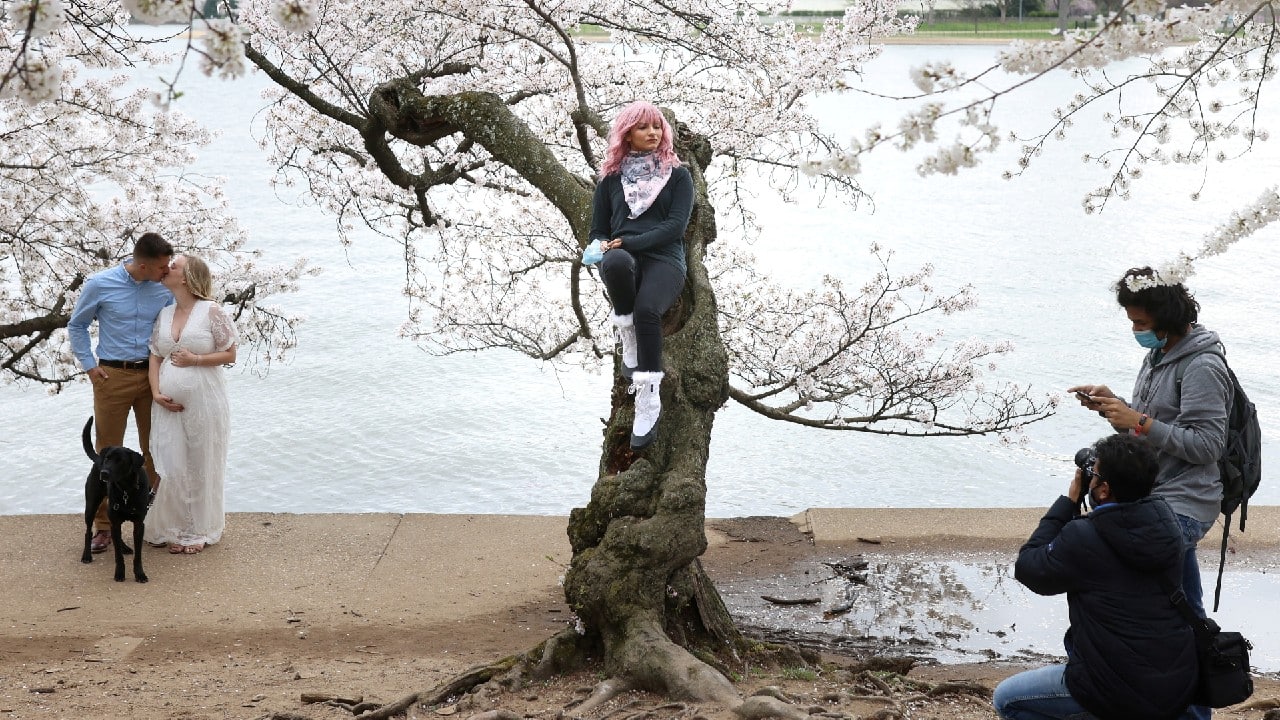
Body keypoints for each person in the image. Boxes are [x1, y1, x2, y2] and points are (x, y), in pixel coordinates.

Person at [993, 434, 1199, 720]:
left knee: (1007, 699)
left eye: (1095, 474)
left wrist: (1068, 501)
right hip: (1175, 682)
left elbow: (1028, 567)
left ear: (1103, 490)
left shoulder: (1085, 536)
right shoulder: (1168, 523)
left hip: (1118, 687)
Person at [1068, 267, 1229, 618]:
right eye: (1131, 321)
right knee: (1183, 602)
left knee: (1127, 576)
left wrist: (1137, 421)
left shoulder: (1202, 366)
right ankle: (1206, 656)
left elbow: (1208, 446)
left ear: (1166, 318)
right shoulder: (1157, 356)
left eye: (1140, 323)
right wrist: (1116, 408)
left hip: (1186, 499)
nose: (1135, 330)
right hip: (1154, 493)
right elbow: (1152, 425)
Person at [590, 100, 695, 449]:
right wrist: (599, 247)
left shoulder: (678, 175)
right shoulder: (610, 180)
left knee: (648, 309)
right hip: (623, 257)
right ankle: (626, 333)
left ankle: (648, 397)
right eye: (643, 128)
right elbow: (599, 230)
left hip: (665, 258)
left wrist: (629, 241)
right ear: (627, 134)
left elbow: (674, 227)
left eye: (657, 127)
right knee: (615, 262)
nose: (653, 133)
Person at [69, 232, 174, 554]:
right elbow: (77, 325)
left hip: (154, 376)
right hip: (112, 375)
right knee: (107, 454)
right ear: (143, 265)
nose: (166, 272)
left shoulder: (164, 288)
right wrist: (89, 366)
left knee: (155, 448)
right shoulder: (100, 284)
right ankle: (103, 527)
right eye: (161, 268)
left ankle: (153, 520)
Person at [144, 255, 238, 554]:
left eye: (174, 266)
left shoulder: (211, 311)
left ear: (186, 277)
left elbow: (230, 353)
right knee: (172, 464)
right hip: (166, 404)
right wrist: (156, 392)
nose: (166, 268)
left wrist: (196, 359)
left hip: (206, 401)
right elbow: (155, 356)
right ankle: (174, 525)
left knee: (201, 462)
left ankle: (199, 529)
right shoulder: (166, 313)